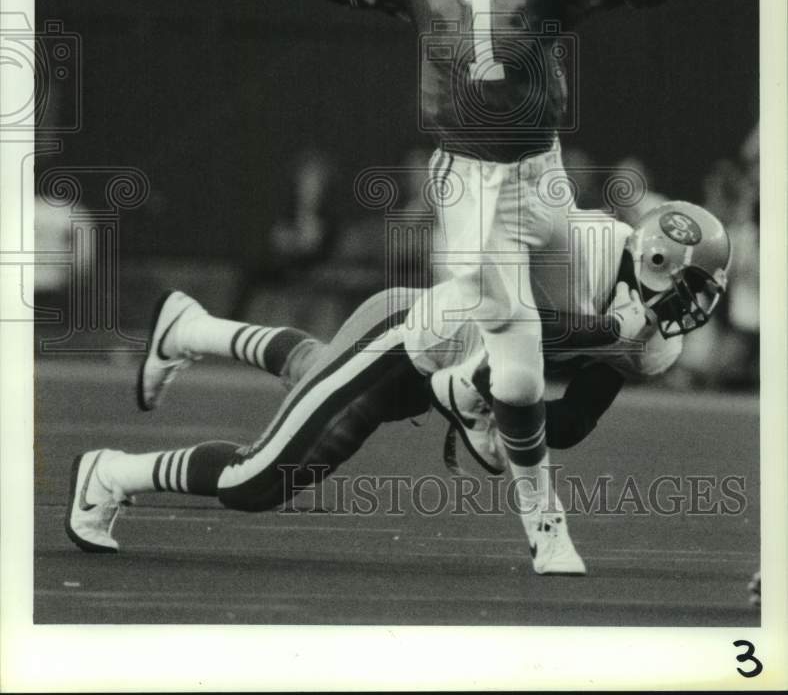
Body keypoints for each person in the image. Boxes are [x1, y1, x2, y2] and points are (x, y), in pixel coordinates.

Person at [242, 0, 671, 568]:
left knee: (581, 307)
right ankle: (544, 521)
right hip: (472, 180)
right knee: (523, 362)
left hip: (543, 167)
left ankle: (464, 389)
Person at [66, 200, 729, 575]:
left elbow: (578, 419)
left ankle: (194, 329)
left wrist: (499, 411)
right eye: (690, 289)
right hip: (415, 338)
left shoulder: (657, 340)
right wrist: (601, 327)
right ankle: (112, 473)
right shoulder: (579, 242)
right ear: (653, 260)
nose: (687, 311)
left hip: (445, 359)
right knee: (259, 481)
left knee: (319, 380)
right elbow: (507, 310)